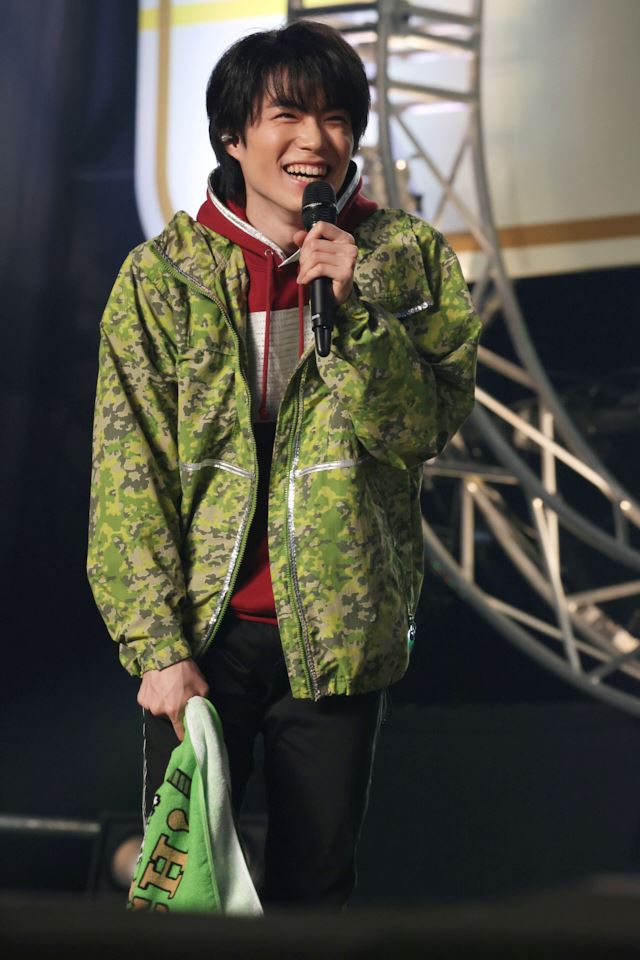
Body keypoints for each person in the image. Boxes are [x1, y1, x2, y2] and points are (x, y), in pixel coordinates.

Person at [87, 19, 481, 909]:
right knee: (184, 896)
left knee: (318, 894)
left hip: (337, 636)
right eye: (289, 116)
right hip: (202, 638)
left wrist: (358, 311)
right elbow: (127, 475)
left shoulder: (405, 257)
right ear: (233, 136)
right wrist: (157, 647)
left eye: (337, 118)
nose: (316, 140)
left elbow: (423, 429)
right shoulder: (162, 277)